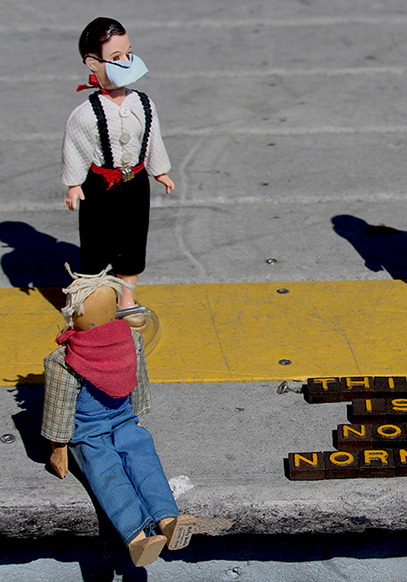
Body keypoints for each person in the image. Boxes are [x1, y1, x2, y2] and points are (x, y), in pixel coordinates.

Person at [42, 265, 194, 567]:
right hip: (116, 422)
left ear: (74, 313)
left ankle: (145, 532)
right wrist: (136, 415)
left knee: (107, 474)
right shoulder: (130, 340)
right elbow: (137, 382)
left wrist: (58, 448)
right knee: (141, 459)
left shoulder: (64, 359)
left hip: (89, 432)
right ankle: (161, 521)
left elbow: (59, 407)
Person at [62, 17, 174, 327]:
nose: (126, 61)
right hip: (99, 185)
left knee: (133, 240)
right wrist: (73, 183)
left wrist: (159, 170)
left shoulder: (144, 104)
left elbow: (152, 138)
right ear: (92, 63)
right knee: (96, 241)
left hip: (135, 182)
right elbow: (75, 146)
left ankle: (126, 299)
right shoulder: (86, 114)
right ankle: (94, 303)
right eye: (115, 57)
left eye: (128, 53)